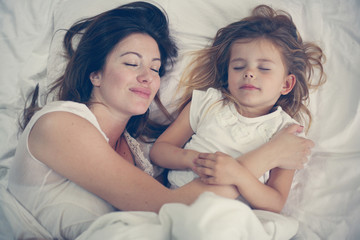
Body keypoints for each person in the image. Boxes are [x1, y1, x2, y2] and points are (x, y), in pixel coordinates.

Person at [7, 1, 314, 239]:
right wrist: (270, 154)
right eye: (131, 62)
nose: (147, 77)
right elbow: (173, 207)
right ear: (95, 73)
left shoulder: (134, 153)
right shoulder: (61, 123)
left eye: (155, 68)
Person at [150, 4, 325, 213]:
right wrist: (194, 160)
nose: (249, 73)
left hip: (234, 216)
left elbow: (275, 202)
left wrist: (237, 175)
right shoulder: (208, 103)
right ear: (228, 75)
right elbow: (159, 152)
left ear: (286, 84)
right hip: (178, 203)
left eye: (264, 68)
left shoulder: (286, 133)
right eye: (239, 66)